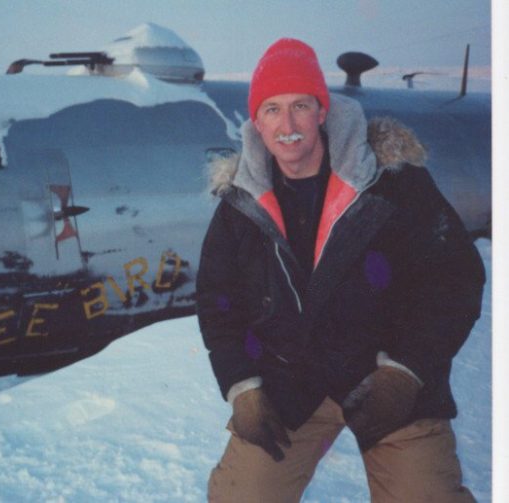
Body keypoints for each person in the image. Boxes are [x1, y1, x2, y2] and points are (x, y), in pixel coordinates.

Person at [197, 38, 485, 502]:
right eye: (271, 109)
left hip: (388, 376)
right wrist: (242, 385)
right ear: (256, 121)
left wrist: (406, 371)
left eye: (300, 106)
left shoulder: (392, 183)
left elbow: (453, 280)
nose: (286, 125)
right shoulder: (241, 205)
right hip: (292, 383)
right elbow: (217, 301)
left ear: (322, 112)